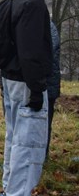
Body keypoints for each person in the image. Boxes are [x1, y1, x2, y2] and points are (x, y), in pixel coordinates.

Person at [0, 0, 58, 196]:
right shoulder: (33, 1)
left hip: (10, 75)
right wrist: (37, 87)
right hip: (26, 79)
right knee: (28, 139)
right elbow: (32, 48)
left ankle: (12, 190)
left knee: (14, 136)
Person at [46, 19, 61, 161]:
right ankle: (43, 155)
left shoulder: (46, 26)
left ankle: (41, 157)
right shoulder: (51, 26)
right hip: (50, 82)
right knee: (46, 123)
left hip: (45, 83)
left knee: (44, 123)